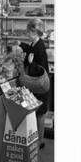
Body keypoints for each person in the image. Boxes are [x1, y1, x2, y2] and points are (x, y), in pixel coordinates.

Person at [18, 18, 50, 149]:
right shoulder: (35, 43)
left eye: (29, 32)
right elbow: (30, 49)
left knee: (40, 112)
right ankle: (36, 138)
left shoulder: (40, 47)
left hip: (40, 85)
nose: (27, 34)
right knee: (37, 111)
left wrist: (32, 63)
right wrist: (21, 44)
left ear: (35, 32)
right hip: (35, 84)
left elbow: (42, 68)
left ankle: (40, 141)